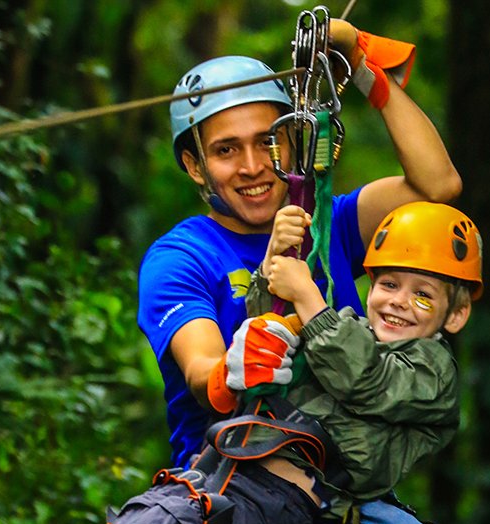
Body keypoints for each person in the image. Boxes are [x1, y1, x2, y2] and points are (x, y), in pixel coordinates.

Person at [137, 18, 462, 470]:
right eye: (226, 150)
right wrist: (232, 371)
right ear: (194, 165)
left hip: (341, 490)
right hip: (235, 487)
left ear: (292, 142)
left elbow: (438, 184)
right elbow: (200, 369)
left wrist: (362, 64)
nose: (252, 167)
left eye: (267, 141)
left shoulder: (331, 225)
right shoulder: (182, 258)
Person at [114, 201, 484, 524]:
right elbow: (273, 330)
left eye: (422, 295)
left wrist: (309, 297)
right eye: (389, 284)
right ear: (370, 287)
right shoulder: (349, 330)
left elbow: (365, 379)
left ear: (456, 315)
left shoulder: (433, 372)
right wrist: (272, 265)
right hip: (241, 469)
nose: (399, 301)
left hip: (308, 501)